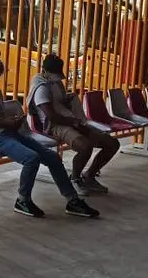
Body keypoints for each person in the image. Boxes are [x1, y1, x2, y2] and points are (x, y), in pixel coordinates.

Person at [0, 55, 100, 219]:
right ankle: (23, 200)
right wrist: (5, 123)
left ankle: (72, 200)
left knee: (53, 158)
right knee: (31, 159)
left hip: (10, 133)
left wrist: (12, 121)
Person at [25, 53, 119, 195]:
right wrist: (73, 122)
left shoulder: (55, 83)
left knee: (112, 144)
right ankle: (75, 179)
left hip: (69, 120)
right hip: (55, 126)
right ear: (45, 71)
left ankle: (89, 176)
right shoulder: (41, 88)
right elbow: (51, 116)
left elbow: (60, 103)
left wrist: (70, 104)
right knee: (85, 147)